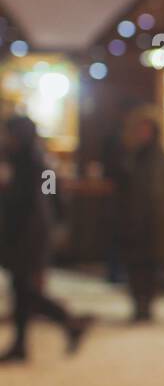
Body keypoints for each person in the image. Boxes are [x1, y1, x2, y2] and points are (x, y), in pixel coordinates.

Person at [0, 115, 93, 363]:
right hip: (24, 232)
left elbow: (48, 197)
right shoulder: (26, 161)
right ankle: (22, 344)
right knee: (21, 290)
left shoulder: (33, 163)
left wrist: (55, 225)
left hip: (29, 234)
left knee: (25, 289)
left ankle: (68, 321)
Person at [115, 107, 164, 322]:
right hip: (132, 219)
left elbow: (163, 192)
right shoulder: (131, 155)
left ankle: (145, 306)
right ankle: (138, 304)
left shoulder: (157, 157)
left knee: (147, 266)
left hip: (151, 222)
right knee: (134, 266)